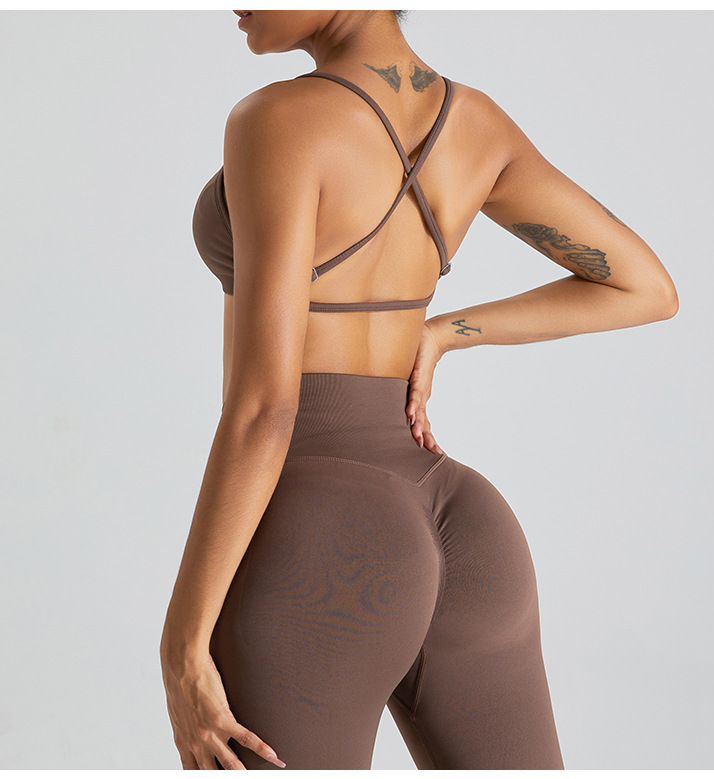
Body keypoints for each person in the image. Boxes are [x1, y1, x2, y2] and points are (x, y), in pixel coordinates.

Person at [160, 9, 679, 771]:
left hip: (321, 534)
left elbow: (266, 408)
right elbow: (645, 286)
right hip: (465, 522)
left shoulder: (278, 118)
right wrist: (441, 332)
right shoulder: (477, 124)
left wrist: (180, 645)